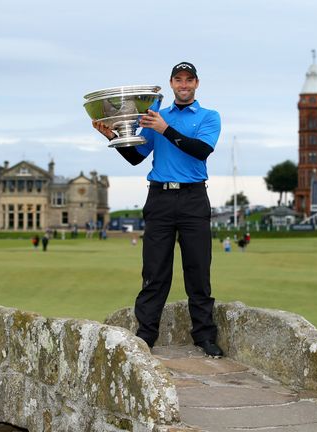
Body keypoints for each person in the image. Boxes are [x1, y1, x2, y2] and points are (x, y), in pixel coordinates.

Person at [92, 61, 223, 358]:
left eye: (189, 80)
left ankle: (204, 335)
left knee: (198, 270)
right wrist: (113, 137)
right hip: (160, 199)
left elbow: (201, 150)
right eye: (179, 80)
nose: (184, 85)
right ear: (172, 83)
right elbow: (137, 157)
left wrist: (166, 129)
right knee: (154, 271)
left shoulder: (208, 117)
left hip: (193, 198)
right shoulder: (154, 116)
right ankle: (146, 335)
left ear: (197, 84)